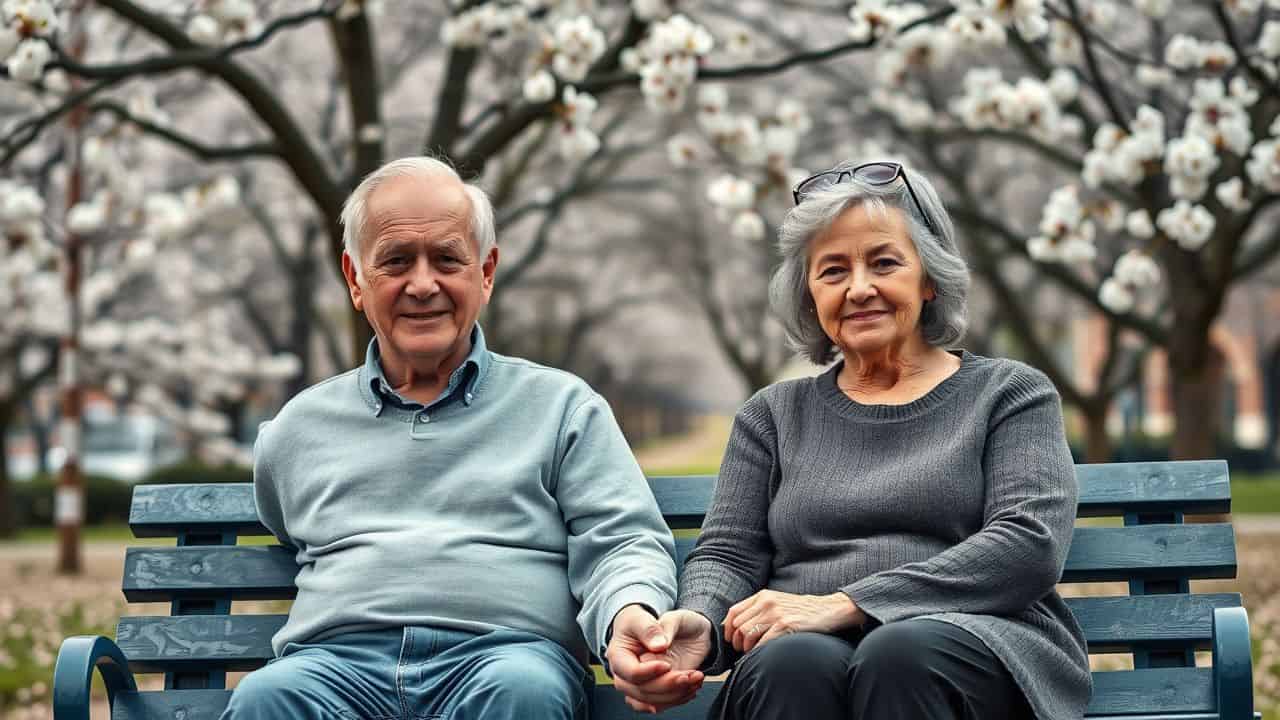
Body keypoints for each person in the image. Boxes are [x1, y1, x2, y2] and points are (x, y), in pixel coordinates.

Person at [620, 161, 1091, 720]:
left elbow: (1027, 544)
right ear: (810, 296)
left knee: (900, 652)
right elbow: (729, 553)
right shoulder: (772, 416)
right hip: (802, 656)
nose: (860, 288)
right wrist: (700, 620)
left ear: (929, 277)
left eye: (885, 263)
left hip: (972, 641)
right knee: (791, 664)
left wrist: (847, 605)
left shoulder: (1009, 393)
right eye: (833, 271)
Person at [220, 156, 686, 720]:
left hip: (504, 658)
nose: (422, 284)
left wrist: (627, 613)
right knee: (267, 698)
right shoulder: (297, 429)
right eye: (395, 261)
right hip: (335, 667)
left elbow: (621, 540)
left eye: (446, 259)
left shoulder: (563, 408)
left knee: (524, 692)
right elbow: (288, 527)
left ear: (485, 272)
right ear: (355, 279)